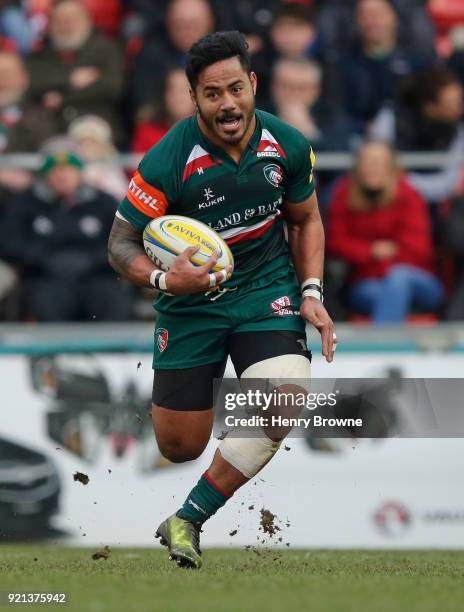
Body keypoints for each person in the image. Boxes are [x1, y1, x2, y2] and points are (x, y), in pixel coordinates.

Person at [108, 31, 334, 568]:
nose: (227, 103)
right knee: (179, 445)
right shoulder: (168, 159)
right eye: (212, 94)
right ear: (194, 97)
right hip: (190, 306)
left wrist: (311, 292)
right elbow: (119, 243)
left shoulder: (289, 145)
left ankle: (188, 517)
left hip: (265, 291)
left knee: (283, 399)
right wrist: (167, 282)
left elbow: (305, 220)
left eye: (236, 88)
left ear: (253, 84)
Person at [3, 137, 134, 321]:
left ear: (80, 171)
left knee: (113, 302)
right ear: (45, 173)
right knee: (44, 301)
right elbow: (10, 243)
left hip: (96, 275)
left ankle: (117, 349)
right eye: (54, 168)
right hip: (45, 276)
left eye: (69, 168)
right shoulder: (25, 204)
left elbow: (124, 241)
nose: (62, 175)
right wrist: (46, 260)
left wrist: (91, 260)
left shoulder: (103, 203)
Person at [327, 141, 443, 322]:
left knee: (398, 277)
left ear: (391, 167)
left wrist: (376, 262)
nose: (373, 168)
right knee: (387, 293)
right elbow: (335, 242)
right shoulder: (344, 194)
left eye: (379, 162)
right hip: (366, 284)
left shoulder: (409, 195)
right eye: (367, 162)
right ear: (358, 167)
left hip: (419, 282)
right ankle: (389, 345)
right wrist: (371, 250)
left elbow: (419, 248)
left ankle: (382, 347)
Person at [26, 0, 124, 144]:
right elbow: (32, 83)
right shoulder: (39, 55)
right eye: (60, 20)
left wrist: (62, 99)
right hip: (50, 132)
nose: (67, 25)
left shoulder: (106, 50)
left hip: (97, 128)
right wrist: (70, 80)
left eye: (73, 19)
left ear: (88, 21)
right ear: (50, 24)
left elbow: (111, 87)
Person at [341, 0, 436, 134]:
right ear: (357, 21)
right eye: (364, 15)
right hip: (356, 139)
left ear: (394, 17)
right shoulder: (343, 63)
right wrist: (361, 127)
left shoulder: (419, 61)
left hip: (411, 139)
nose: (372, 22)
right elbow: (337, 111)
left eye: (378, 14)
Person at [131, 67, 194, 153]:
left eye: (183, 90)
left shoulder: (209, 137)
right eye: (171, 89)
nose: (177, 96)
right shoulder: (146, 133)